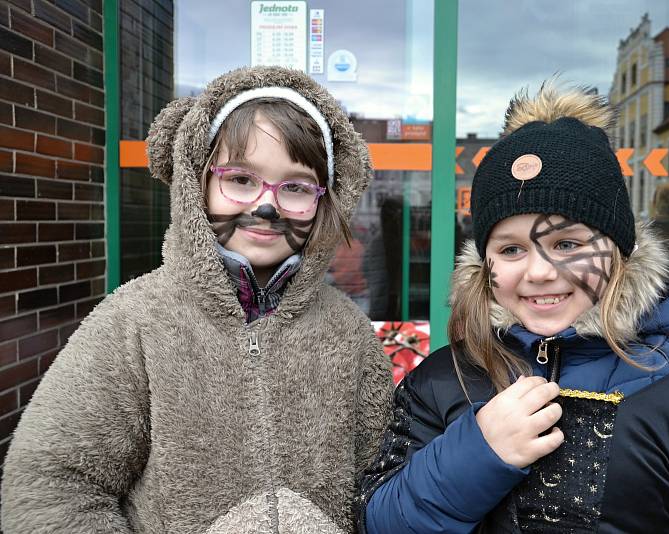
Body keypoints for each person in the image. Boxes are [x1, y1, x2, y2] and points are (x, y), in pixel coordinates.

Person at [357, 82, 669, 533]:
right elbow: (377, 519)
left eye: (567, 243)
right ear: (483, 264)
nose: (538, 272)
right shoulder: (445, 379)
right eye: (510, 250)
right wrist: (477, 454)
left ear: (620, 251)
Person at [1, 66, 393, 533]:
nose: (266, 206)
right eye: (241, 179)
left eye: (295, 187)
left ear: (325, 201)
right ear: (198, 184)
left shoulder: (347, 333)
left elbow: (381, 482)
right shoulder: (137, 320)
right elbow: (49, 482)